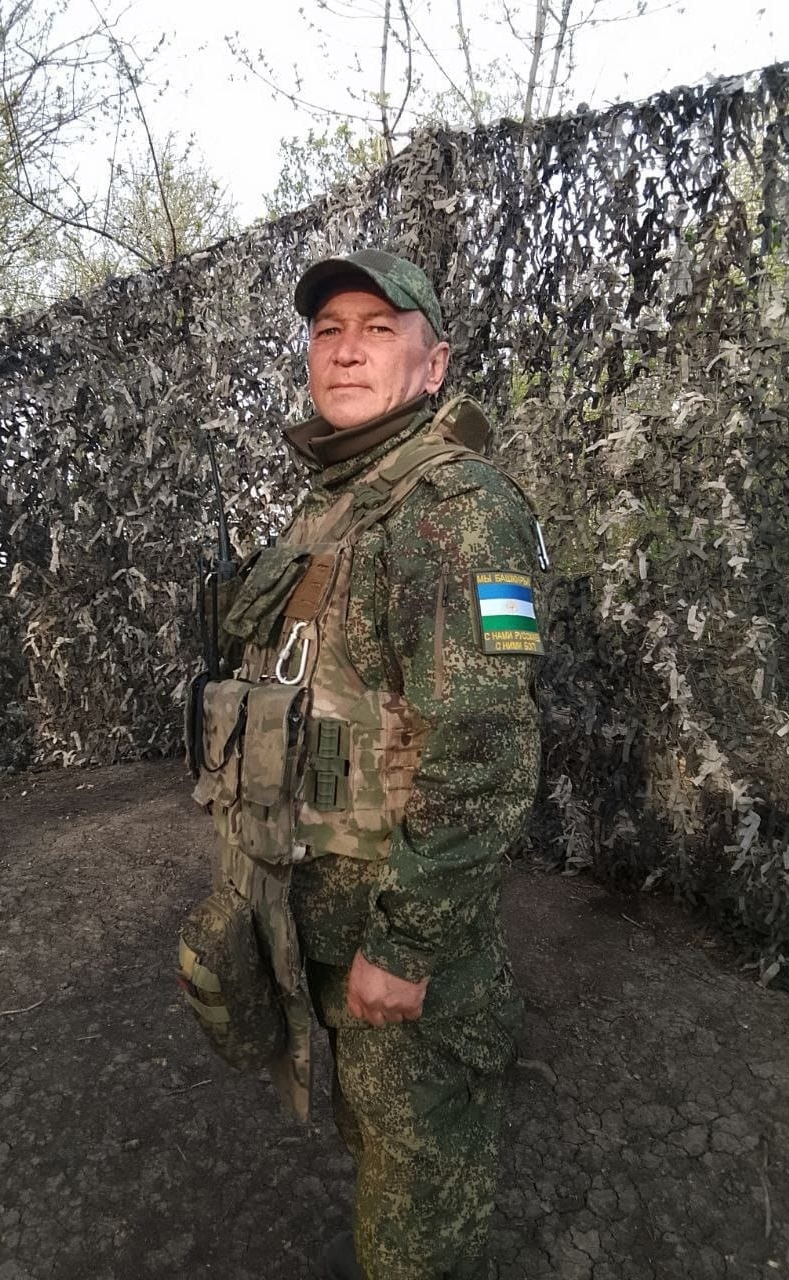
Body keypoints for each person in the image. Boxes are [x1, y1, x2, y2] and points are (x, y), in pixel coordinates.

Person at [193, 249, 546, 1280]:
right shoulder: (333, 505)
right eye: (327, 331)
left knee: (418, 1224)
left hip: (400, 955)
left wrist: (408, 944)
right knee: (380, 1154)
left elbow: (483, 749)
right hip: (326, 929)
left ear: (434, 366)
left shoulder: (456, 509)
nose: (346, 350)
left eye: (379, 329)